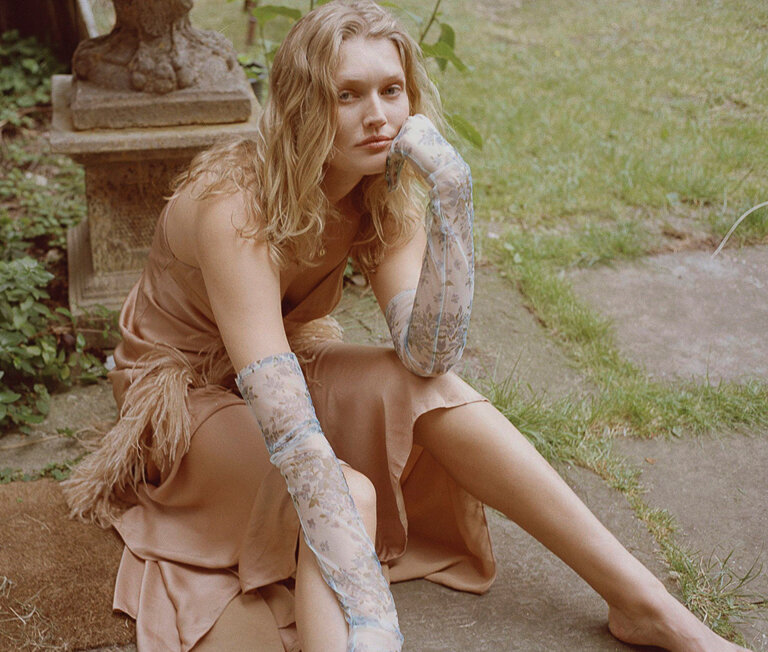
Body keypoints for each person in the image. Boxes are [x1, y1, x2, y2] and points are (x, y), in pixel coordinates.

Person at [61, 2, 752, 650]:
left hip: (275, 367)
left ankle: (643, 603)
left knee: (433, 391)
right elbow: (294, 442)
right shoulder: (234, 207)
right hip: (180, 399)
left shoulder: (382, 189)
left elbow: (427, 354)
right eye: (347, 94)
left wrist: (452, 193)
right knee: (345, 494)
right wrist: (374, 621)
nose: (378, 116)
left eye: (392, 90)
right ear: (303, 106)